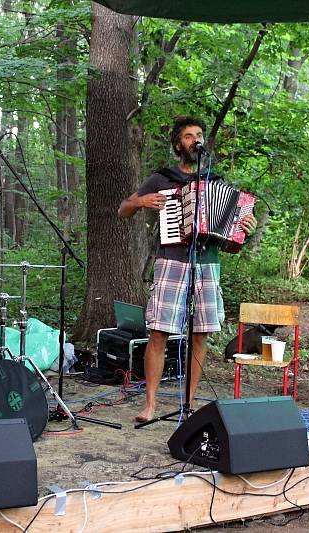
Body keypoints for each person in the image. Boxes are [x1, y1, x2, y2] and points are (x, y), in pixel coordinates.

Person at [118, 116, 257, 423]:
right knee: (159, 332)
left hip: (207, 265)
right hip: (171, 261)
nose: (195, 139)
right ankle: (150, 404)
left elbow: (231, 245)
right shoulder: (162, 179)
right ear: (177, 144)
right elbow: (123, 210)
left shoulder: (216, 183)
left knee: (200, 335)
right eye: (188, 135)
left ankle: (189, 403)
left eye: (199, 135)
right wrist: (141, 201)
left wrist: (244, 232)